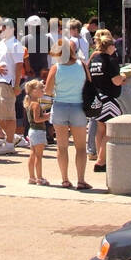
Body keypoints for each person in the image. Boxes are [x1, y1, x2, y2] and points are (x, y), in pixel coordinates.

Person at [46, 37, 90, 190]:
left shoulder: (56, 68)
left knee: (62, 146)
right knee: (80, 147)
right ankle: (81, 180)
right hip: (79, 107)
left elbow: (48, 90)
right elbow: (89, 84)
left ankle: (65, 179)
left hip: (60, 108)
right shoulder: (82, 65)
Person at [87, 30, 124, 174]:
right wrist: (123, 78)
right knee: (111, 129)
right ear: (109, 46)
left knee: (101, 128)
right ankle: (101, 161)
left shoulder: (95, 60)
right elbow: (115, 80)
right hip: (108, 98)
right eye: (113, 46)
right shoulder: (111, 60)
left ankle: (100, 158)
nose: (115, 49)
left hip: (96, 97)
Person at [0, 17, 27, 153]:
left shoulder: (16, 45)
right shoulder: (1, 43)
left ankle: (10, 143)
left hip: (8, 83)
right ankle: (13, 138)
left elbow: (19, 66)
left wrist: (17, 85)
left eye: (4, 27)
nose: (1, 29)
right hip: (0, 82)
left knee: (7, 115)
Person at [24, 78, 50, 185]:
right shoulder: (36, 104)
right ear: (34, 91)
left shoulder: (29, 103)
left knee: (33, 154)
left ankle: (32, 177)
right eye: (41, 89)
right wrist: (48, 117)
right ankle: (39, 177)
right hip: (38, 131)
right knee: (39, 156)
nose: (43, 91)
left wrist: (45, 115)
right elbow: (37, 119)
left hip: (32, 131)